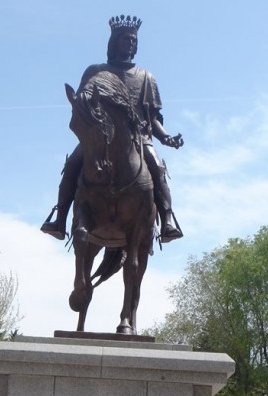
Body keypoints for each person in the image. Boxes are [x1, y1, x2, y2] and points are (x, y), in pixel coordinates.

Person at [41, 14, 184, 244]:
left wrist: (166, 138)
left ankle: (167, 221)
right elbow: (82, 105)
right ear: (114, 41)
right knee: (72, 163)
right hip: (98, 135)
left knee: (156, 167)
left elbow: (153, 117)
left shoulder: (146, 77)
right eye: (126, 39)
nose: (131, 44)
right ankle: (59, 218)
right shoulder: (95, 71)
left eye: (134, 41)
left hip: (138, 138)